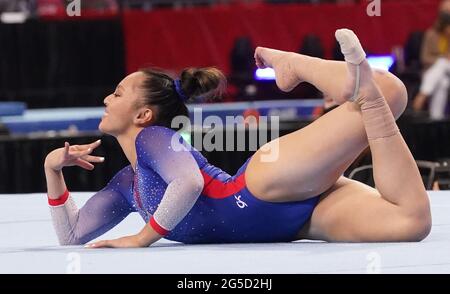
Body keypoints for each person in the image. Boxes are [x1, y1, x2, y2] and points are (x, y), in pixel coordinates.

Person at [43, 29, 431, 248]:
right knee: (411, 224)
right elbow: (72, 236)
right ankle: (365, 98)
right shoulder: (127, 185)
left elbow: (189, 181)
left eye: (118, 93)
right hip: (298, 222)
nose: (106, 99)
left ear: (143, 116)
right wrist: (52, 171)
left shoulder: (155, 139)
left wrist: (142, 238)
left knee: (389, 91)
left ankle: (293, 65)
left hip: (263, 187)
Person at [412, 0, 450, 119]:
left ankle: (423, 94)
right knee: (443, 83)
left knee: (443, 63)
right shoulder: (431, 34)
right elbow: (424, 58)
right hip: (434, 71)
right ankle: (436, 118)